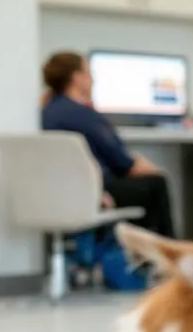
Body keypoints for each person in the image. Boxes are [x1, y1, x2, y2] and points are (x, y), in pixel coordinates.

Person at [40, 51, 175, 237]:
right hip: (93, 193)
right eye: (89, 73)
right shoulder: (85, 116)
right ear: (77, 78)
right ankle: (165, 255)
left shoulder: (47, 112)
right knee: (157, 183)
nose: (93, 80)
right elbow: (124, 165)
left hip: (55, 194)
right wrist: (156, 171)